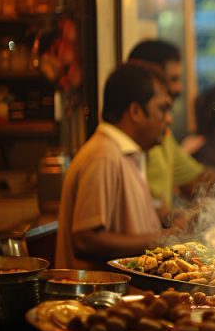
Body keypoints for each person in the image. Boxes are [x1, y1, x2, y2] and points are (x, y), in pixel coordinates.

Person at [56, 62, 174, 270]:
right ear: (136, 111)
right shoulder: (103, 155)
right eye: (162, 109)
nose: (168, 119)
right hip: (99, 300)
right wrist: (164, 239)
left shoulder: (125, 153)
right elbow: (85, 240)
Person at [127, 40, 205, 212]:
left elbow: (196, 181)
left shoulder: (162, 133)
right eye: (173, 79)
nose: (179, 88)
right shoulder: (120, 148)